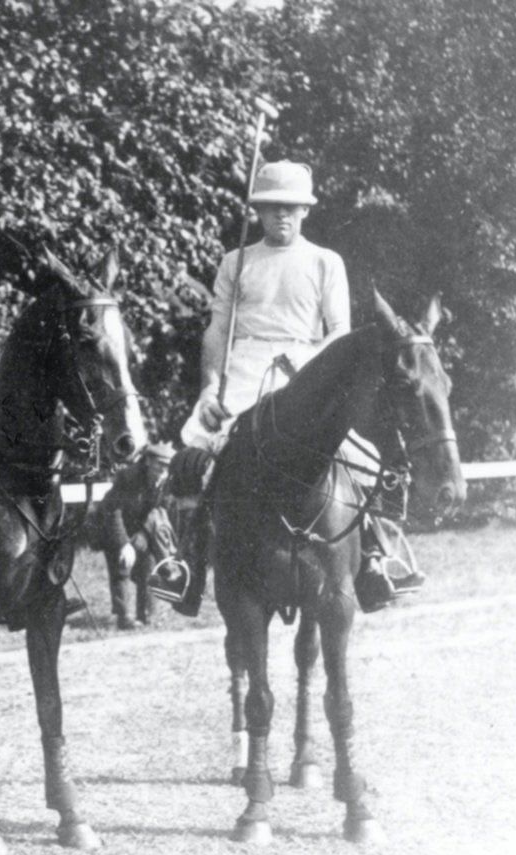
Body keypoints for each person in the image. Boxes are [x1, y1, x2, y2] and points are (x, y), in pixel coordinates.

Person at [157, 160, 422, 615]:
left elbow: (339, 332)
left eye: (292, 208)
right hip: (246, 372)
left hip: (310, 368)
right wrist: (209, 388)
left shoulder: (325, 262)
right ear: (258, 212)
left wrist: (314, 370)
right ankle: (188, 565)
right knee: (204, 452)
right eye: (272, 207)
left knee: (361, 455)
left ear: (305, 212)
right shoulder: (235, 261)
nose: (282, 216)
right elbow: (217, 331)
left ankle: (377, 558)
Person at [87, 442, 177, 630]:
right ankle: (124, 616)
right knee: (122, 568)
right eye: (160, 464)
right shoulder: (128, 477)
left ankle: (147, 615)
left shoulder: (166, 481)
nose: (163, 469)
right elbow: (114, 511)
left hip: (142, 528)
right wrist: (124, 545)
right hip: (112, 527)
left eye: (167, 466)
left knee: (149, 564)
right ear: (148, 461)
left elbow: (166, 509)